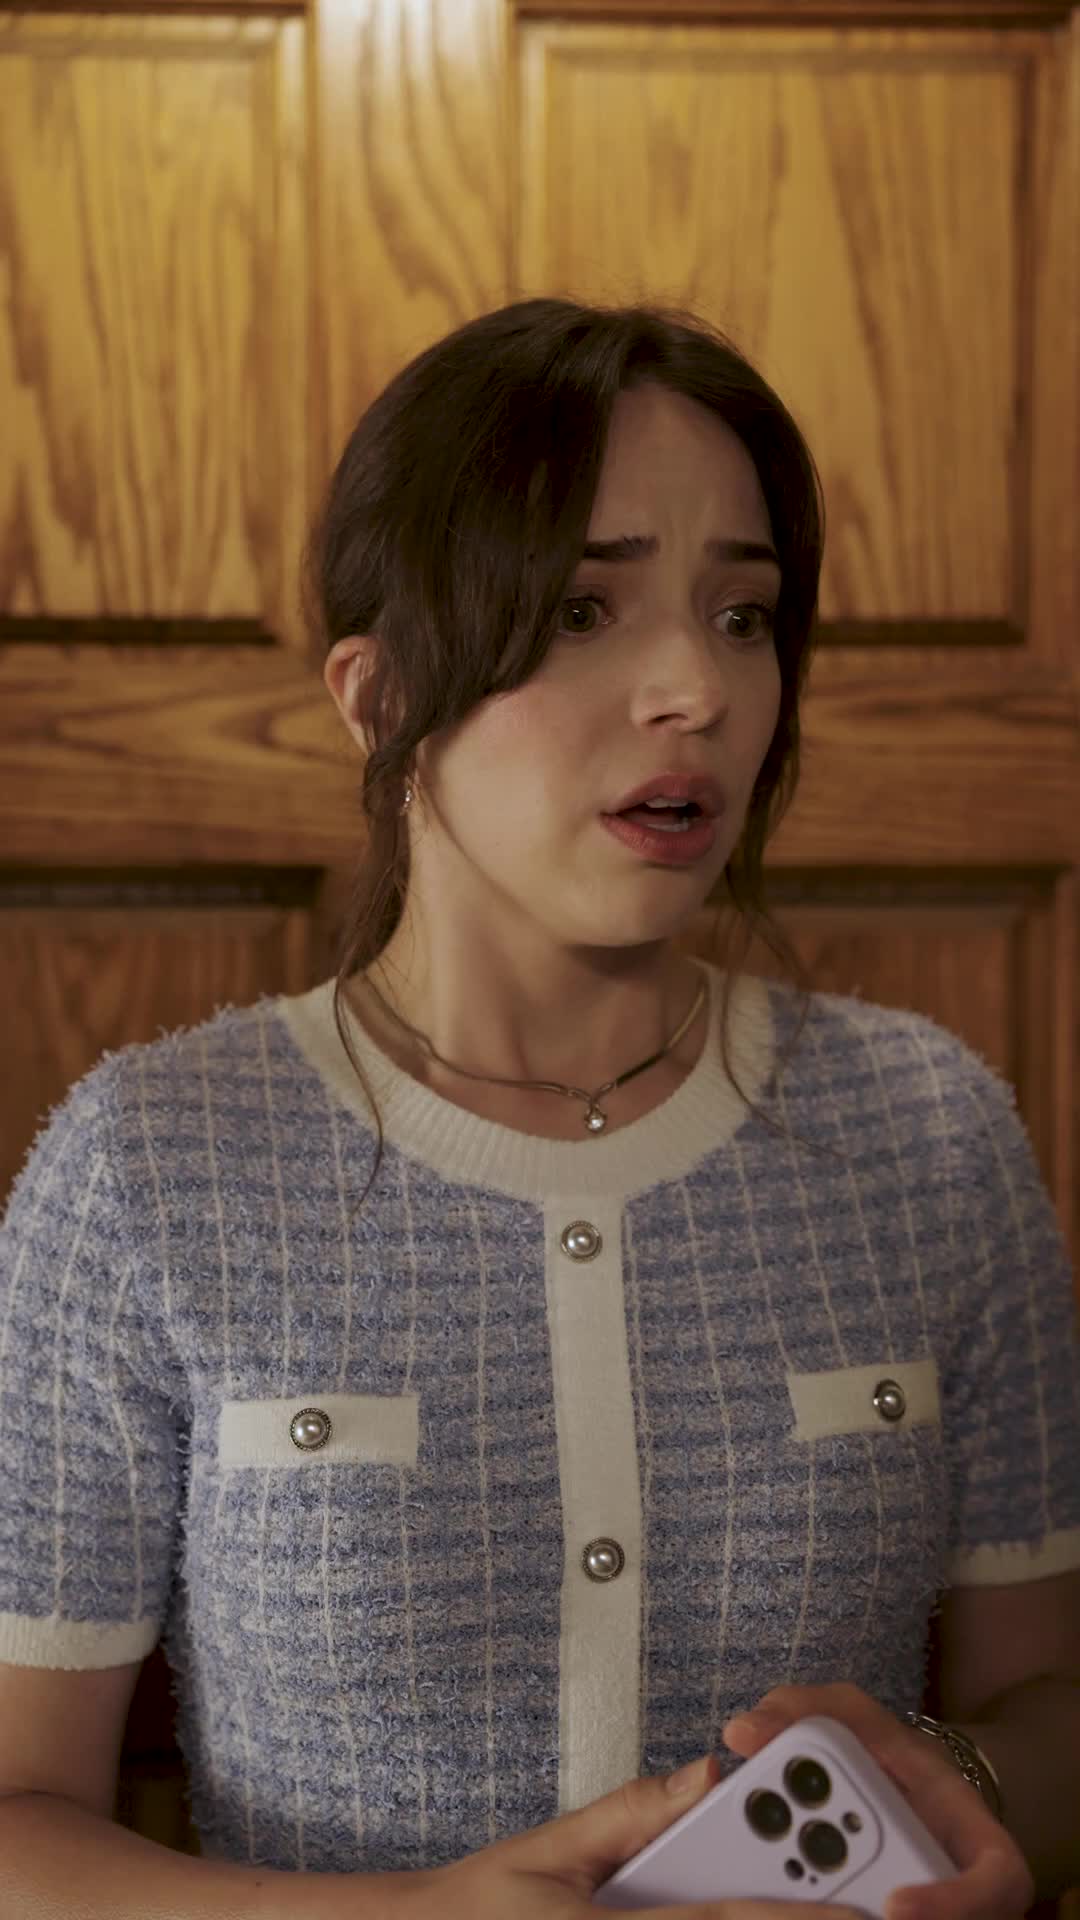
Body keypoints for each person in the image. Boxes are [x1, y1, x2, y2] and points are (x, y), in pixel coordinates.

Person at [0, 299, 1077, 1920]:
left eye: (744, 614)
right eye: (582, 609)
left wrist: (965, 1789)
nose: (695, 690)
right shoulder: (149, 1167)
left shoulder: (932, 1134)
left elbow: (1052, 1713)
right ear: (378, 696)